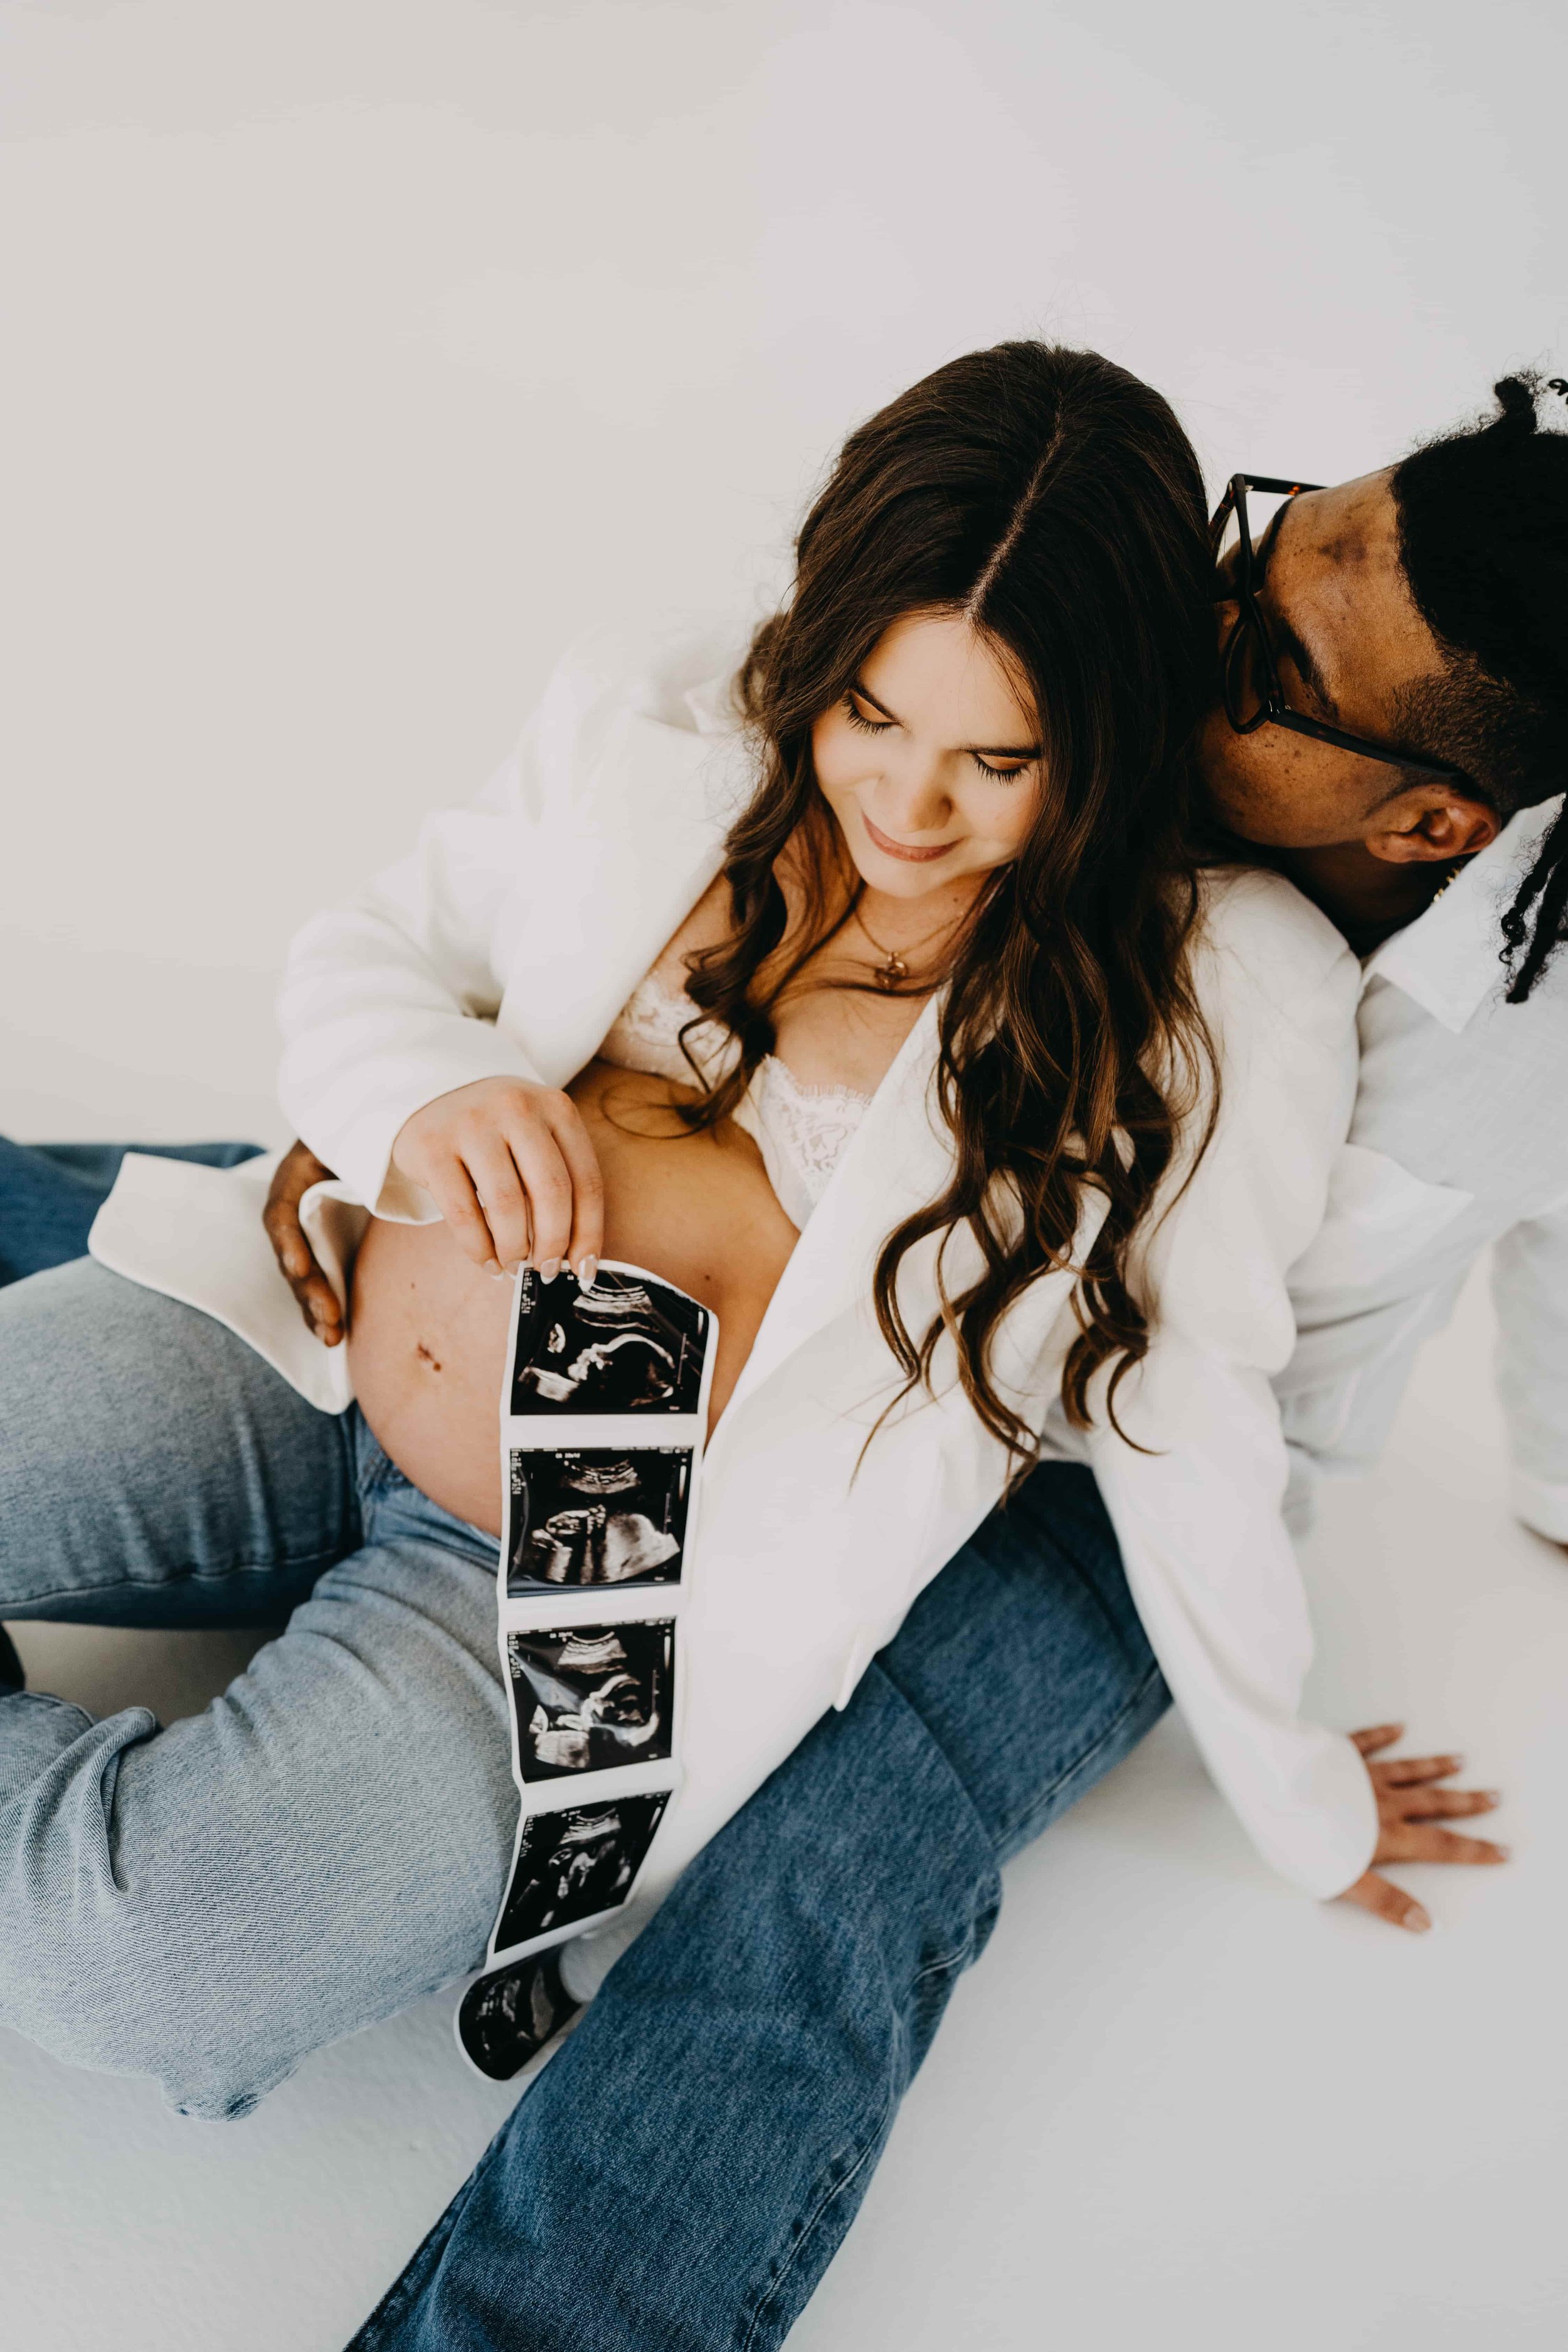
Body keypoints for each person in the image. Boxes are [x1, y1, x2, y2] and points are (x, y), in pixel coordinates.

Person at [0, 340, 1383, 2127]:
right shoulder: (661, 718)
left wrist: (1301, 1795)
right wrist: (421, 1090)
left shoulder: (1209, 990)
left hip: (568, 1591)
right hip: (311, 1328)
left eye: (996, 759)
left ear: (1102, 745)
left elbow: (1194, 1413)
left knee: (159, 1967)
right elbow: (375, 947)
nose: (907, 805)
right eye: (871, 717)